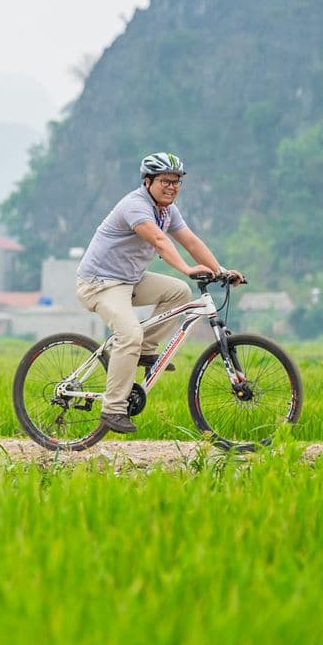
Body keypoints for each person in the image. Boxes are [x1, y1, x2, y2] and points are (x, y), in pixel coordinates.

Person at [74, 152, 243, 435]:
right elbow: (159, 240)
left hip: (129, 280)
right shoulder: (135, 206)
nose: (172, 187)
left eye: (177, 182)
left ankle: (143, 351)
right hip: (99, 283)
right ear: (148, 181)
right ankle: (113, 408)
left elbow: (190, 240)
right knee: (129, 334)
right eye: (165, 181)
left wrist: (221, 270)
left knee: (178, 292)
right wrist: (187, 269)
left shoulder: (167, 210)